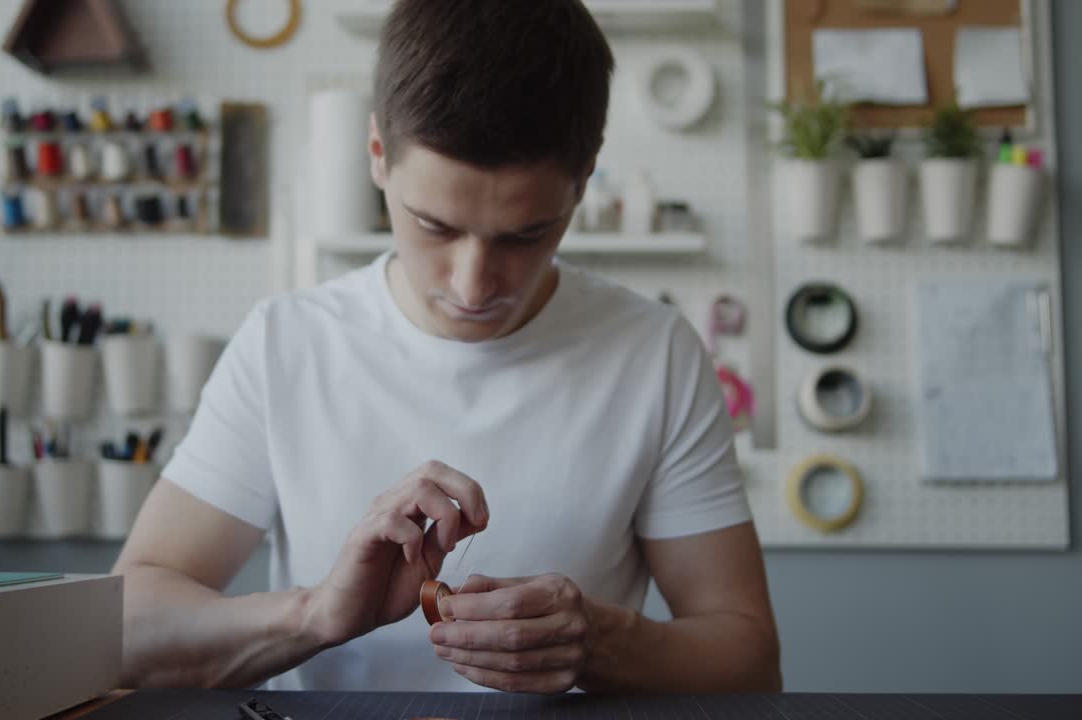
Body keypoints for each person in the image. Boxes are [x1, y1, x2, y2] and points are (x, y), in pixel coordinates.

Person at [112, 0, 780, 694]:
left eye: (525, 234)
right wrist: (311, 616)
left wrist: (600, 642)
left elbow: (753, 664)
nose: (473, 284)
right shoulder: (286, 344)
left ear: (583, 185)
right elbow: (125, 631)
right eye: (434, 225)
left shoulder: (655, 354)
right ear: (377, 155)